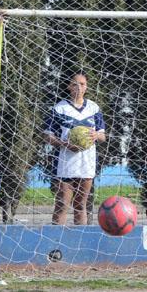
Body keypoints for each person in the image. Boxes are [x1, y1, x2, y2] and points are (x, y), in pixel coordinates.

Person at [43, 72, 106, 225]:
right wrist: (63, 143)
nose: (79, 87)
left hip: (87, 162)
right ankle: (56, 242)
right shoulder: (59, 109)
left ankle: (80, 240)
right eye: (75, 84)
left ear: (87, 87)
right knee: (62, 204)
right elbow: (47, 136)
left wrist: (95, 135)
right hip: (66, 162)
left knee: (80, 205)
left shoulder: (94, 108)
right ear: (69, 87)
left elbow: (103, 136)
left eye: (82, 84)